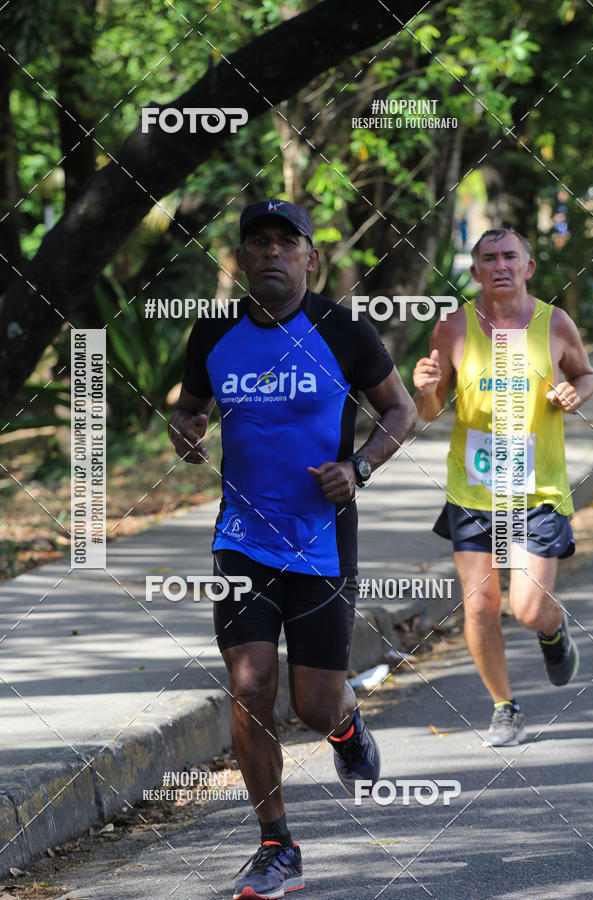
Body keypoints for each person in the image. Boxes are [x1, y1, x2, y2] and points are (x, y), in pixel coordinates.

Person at [168, 199, 417, 898]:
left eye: (287, 242)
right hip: (241, 543)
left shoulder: (342, 331)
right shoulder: (214, 332)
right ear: (242, 259)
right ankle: (276, 844)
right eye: (259, 243)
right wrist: (185, 430)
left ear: (311, 257)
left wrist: (361, 465)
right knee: (249, 688)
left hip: (321, 544)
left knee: (314, 703)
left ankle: (344, 727)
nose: (272, 253)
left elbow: (404, 408)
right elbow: (191, 407)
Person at [413, 227, 593, 748]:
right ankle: (504, 707)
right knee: (479, 606)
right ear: (474, 272)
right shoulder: (453, 327)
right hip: (473, 492)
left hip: (536, 490)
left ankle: (553, 630)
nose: (499, 265)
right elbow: (430, 413)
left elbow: (586, 375)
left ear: (528, 267)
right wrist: (425, 389)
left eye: (509, 256)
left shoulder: (554, 322)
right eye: (488, 258)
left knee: (529, 607)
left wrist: (575, 391)